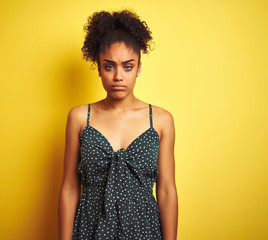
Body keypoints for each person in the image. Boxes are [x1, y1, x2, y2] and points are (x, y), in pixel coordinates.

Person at [58, 9, 178, 239]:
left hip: (145, 229)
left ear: (139, 68)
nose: (118, 77)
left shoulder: (161, 120)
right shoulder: (80, 117)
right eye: (110, 66)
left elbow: (166, 190)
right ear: (99, 68)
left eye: (128, 66)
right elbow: (70, 188)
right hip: (91, 229)